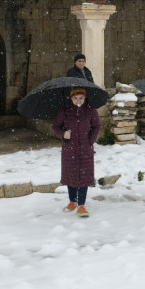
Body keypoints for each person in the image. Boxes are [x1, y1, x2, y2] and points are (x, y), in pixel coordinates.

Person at [52, 87, 101, 217]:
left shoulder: (91, 111)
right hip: (69, 149)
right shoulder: (64, 112)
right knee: (71, 176)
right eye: (75, 98)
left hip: (85, 149)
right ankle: (72, 202)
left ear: (85, 98)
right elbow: (55, 127)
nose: (78, 100)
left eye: (81, 98)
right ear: (71, 98)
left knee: (84, 177)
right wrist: (63, 134)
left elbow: (97, 126)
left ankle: (82, 205)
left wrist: (90, 141)